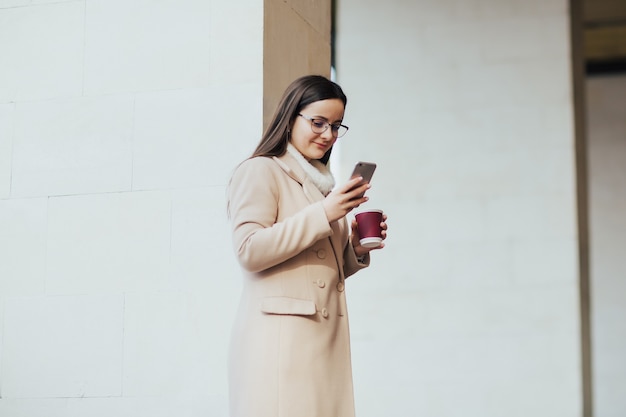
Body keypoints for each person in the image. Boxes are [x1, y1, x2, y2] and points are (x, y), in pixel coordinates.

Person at [227, 74, 388, 417]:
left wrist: (355, 249)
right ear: (290, 117)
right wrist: (325, 213)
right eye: (318, 123)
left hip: (319, 344)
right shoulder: (261, 171)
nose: (328, 135)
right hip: (281, 349)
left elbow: (316, 268)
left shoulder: (320, 187)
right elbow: (250, 250)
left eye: (336, 126)